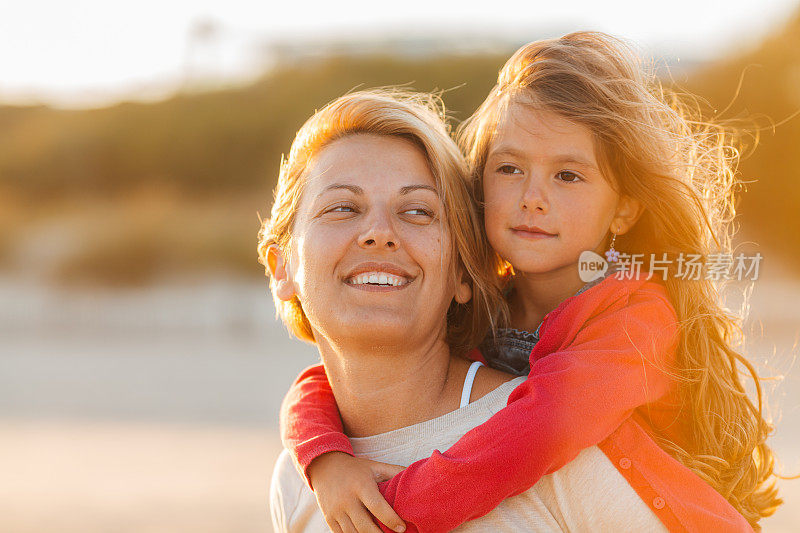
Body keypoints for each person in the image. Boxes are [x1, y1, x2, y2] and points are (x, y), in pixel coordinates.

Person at [278, 33, 782, 532]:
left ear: (625, 207)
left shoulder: (636, 320)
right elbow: (339, 377)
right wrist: (323, 459)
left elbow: (538, 431)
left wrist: (398, 512)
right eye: (510, 168)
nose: (532, 198)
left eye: (567, 176)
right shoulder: (488, 297)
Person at [261, 89, 674, 532]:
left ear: (463, 272)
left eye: (418, 211)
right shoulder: (297, 480)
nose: (379, 233)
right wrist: (320, 456)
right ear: (281, 267)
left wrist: (402, 511)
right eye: (343, 207)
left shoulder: (564, 450)